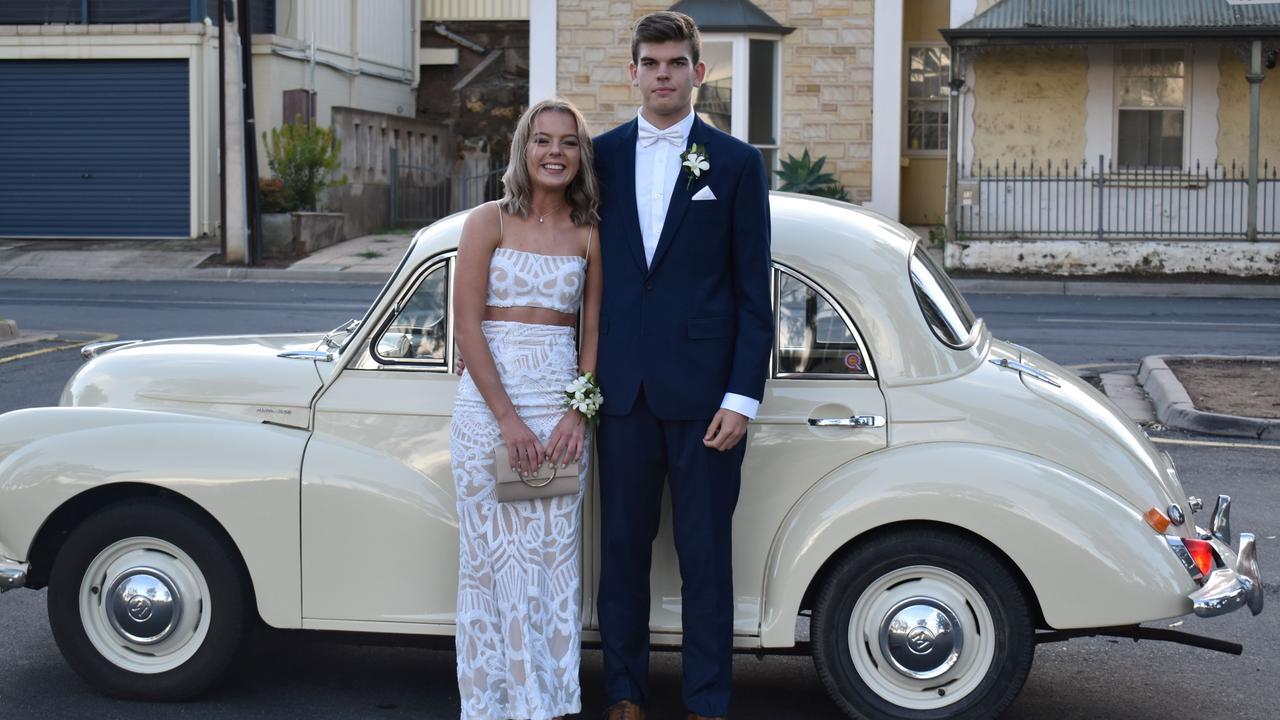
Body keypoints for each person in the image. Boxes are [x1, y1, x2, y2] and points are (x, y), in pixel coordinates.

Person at [592, 11, 773, 720]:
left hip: (707, 403)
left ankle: (706, 701)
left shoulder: (733, 163)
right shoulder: (598, 155)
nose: (663, 75)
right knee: (622, 557)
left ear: (700, 72)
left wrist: (742, 397)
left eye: (676, 63)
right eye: (650, 62)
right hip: (622, 395)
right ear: (632, 71)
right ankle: (625, 695)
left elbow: (755, 295)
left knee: (705, 562)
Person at [449, 98, 602, 720]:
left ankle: (546, 701)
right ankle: (494, 704)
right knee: (490, 564)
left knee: (548, 561)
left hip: (559, 404)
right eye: (543, 140)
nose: (555, 152)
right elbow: (466, 327)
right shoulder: (487, 222)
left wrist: (578, 412)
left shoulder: (591, 232)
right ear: (524, 149)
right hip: (489, 409)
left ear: (579, 156)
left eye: (567, 142)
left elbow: (594, 331)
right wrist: (509, 422)